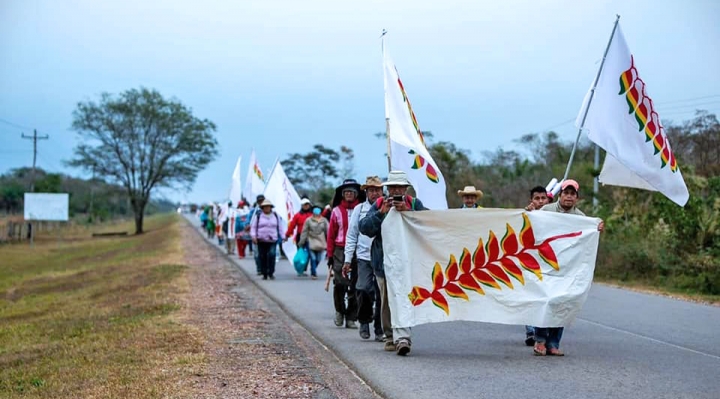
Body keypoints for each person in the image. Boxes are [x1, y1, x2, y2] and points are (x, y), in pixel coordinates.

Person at [530, 179, 604, 356]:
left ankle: (553, 343)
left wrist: (597, 227)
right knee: (546, 302)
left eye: (572, 194)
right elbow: (532, 226)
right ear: (560, 195)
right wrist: (530, 213)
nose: (569, 197)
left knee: (563, 303)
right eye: (566, 193)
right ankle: (540, 340)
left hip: (568, 269)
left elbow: (588, 236)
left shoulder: (581, 218)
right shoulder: (546, 211)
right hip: (547, 266)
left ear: (577, 198)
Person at [359, 170, 428, 356]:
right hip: (383, 262)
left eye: (400, 187)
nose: (396, 190)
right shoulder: (380, 204)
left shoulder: (414, 204)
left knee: (405, 298)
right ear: (387, 189)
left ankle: (403, 338)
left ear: (406, 188)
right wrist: (381, 214)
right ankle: (390, 335)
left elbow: (429, 224)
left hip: (409, 261)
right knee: (387, 301)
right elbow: (365, 228)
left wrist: (410, 213)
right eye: (392, 187)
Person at [342, 176, 385, 341]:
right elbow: (352, 235)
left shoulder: (387, 207)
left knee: (382, 293)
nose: (375, 193)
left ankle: (379, 328)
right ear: (366, 192)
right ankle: (364, 320)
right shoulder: (360, 210)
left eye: (378, 190)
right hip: (364, 257)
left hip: (382, 257)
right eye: (372, 190)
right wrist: (347, 260)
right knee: (363, 288)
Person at [327, 179, 366, 329]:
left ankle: (351, 317)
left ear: (356, 194)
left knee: (356, 285)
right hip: (339, 250)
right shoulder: (336, 211)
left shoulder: (362, 209)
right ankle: (339, 311)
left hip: (359, 249)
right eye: (346, 192)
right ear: (342, 195)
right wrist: (330, 255)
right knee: (340, 283)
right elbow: (331, 235)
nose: (349, 194)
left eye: (351, 192)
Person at [521, 185, 551, 346]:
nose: (540, 202)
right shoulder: (526, 215)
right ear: (531, 201)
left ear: (548, 199)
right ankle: (531, 330)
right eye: (537, 198)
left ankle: (542, 328)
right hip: (529, 262)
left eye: (543, 198)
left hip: (548, 264)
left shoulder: (555, 215)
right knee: (530, 296)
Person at [250, 199, 286, 280]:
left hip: (272, 239)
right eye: (265, 207)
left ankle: (271, 272)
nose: (267, 208)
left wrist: (283, 236)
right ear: (262, 208)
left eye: (268, 207)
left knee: (272, 255)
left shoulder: (276, 216)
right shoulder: (258, 216)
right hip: (261, 240)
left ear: (271, 207)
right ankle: (264, 273)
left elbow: (280, 227)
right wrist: (253, 236)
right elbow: (253, 228)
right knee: (262, 256)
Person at [298, 205, 329, 279]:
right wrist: (301, 242)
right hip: (311, 240)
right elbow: (304, 231)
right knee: (313, 258)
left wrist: (330, 241)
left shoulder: (324, 220)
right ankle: (313, 273)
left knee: (318, 259)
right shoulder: (308, 220)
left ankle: (313, 268)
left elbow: (328, 231)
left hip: (321, 241)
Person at [287, 197, 314, 275]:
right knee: (301, 253)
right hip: (300, 237)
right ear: (301, 206)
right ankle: (300, 269)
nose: (306, 206)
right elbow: (292, 226)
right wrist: (287, 235)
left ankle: (305, 268)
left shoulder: (312, 215)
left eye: (307, 205)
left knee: (309, 254)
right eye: (304, 205)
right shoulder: (297, 215)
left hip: (311, 236)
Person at [249, 194, 265, 275]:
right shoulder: (254, 211)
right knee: (257, 253)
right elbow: (249, 221)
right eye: (259, 201)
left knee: (266, 253)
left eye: (262, 201)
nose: (261, 202)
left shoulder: (270, 211)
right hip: (256, 235)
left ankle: (265, 268)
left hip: (266, 236)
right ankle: (259, 268)